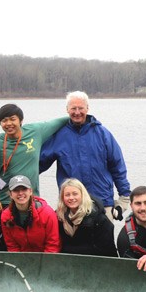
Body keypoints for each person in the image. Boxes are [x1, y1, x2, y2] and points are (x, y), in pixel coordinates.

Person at [40, 91, 131, 221]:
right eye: (73, 108)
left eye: (81, 108)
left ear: (87, 108)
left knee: (105, 241)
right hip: (71, 206)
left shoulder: (103, 134)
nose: (77, 112)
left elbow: (117, 166)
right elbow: (36, 164)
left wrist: (124, 198)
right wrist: (9, 177)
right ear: (67, 110)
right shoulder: (59, 136)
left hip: (103, 203)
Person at [0, 104, 68, 205]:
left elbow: (60, 122)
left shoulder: (35, 132)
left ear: (21, 120)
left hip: (32, 199)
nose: (8, 123)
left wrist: (82, 115)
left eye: (12, 119)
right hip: (5, 201)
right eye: (4, 120)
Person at [56, 178, 117, 256]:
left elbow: (107, 250)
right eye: (67, 195)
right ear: (62, 198)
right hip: (67, 263)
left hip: (94, 263)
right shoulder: (59, 218)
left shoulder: (99, 219)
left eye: (75, 194)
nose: (71, 198)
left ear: (82, 195)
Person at [0, 175, 59, 253]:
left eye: (24, 189)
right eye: (16, 190)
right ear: (10, 194)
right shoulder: (5, 216)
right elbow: (12, 246)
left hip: (45, 258)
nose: (20, 193)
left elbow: (52, 245)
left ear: (30, 191)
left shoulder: (48, 213)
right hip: (21, 260)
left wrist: (43, 263)